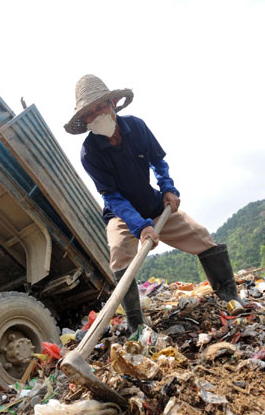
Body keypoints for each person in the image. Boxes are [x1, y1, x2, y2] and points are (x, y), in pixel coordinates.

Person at [64, 74, 242, 332]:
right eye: (90, 113)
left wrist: (168, 189)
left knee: (202, 237)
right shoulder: (89, 152)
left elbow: (158, 162)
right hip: (122, 215)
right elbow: (111, 196)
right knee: (119, 254)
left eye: (100, 106)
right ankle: (137, 324)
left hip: (154, 205)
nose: (96, 114)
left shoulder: (137, 127)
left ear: (112, 102)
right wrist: (139, 226)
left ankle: (230, 296)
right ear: (86, 120)